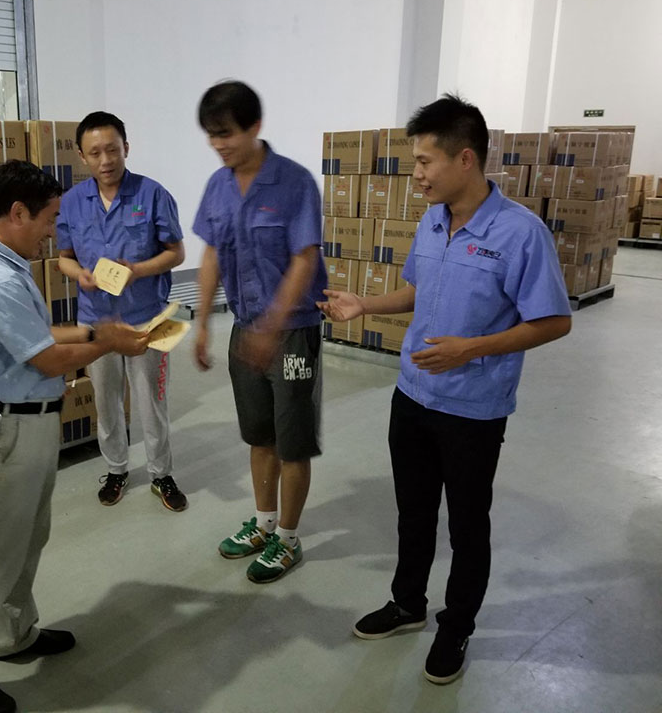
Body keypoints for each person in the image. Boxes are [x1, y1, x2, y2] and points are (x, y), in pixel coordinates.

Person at [320, 94, 571, 685]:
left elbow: (554, 320)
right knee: (412, 513)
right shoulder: (432, 221)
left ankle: (456, 626)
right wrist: (364, 305)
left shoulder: (521, 233)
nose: (417, 174)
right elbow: (417, 288)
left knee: (467, 526)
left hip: (472, 410)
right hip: (411, 397)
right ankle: (408, 603)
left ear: (465, 159)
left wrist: (471, 348)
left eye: (425, 161)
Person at [0, 160, 149, 713]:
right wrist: (109, 344)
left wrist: (94, 330)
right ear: (17, 212)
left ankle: (14, 635)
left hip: (21, 427)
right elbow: (48, 359)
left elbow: (33, 335)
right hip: (7, 435)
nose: (53, 232)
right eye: (49, 219)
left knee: (25, 541)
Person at [192, 81, 327, 584]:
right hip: (244, 328)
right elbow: (211, 253)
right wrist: (202, 323)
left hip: (291, 333)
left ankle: (288, 539)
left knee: (292, 442)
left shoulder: (294, 183)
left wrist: (272, 326)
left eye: (226, 133)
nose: (218, 145)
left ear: (255, 126)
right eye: (211, 136)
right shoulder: (218, 186)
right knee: (259, 436)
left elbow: (304, 259)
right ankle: (264, 523)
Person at [56, 111, 188, 512]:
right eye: (95, 153)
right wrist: (79, 274)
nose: (105, 160)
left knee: (152, 400)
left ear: (126, 148)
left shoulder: (153, 194)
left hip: (147, 318)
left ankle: (161, 473)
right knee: (106, 400)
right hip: (96, 319)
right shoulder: (72, 202)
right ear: (82, 156)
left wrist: (138, 271)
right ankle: (116, 469)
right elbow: (63, 258)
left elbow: (176, 253)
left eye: (112, 150)